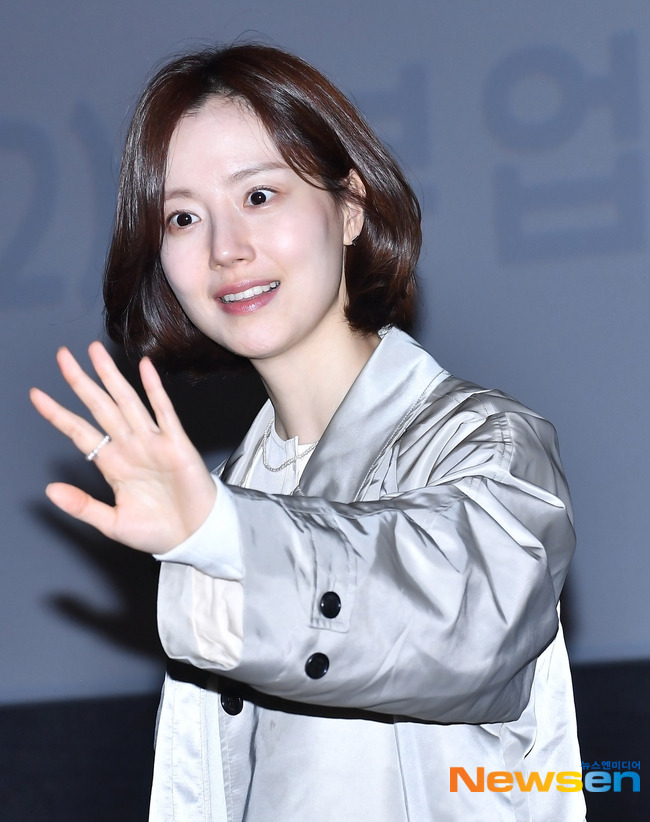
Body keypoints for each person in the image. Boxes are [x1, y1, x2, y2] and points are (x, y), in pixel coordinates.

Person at [30, 43, 585, 821]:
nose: (225, 248)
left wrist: (223, 537)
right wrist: (215, 528)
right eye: (183, 217)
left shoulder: (486, 447)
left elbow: (464, 619)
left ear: (349, 206)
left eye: (259, 196)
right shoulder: (230, 495)